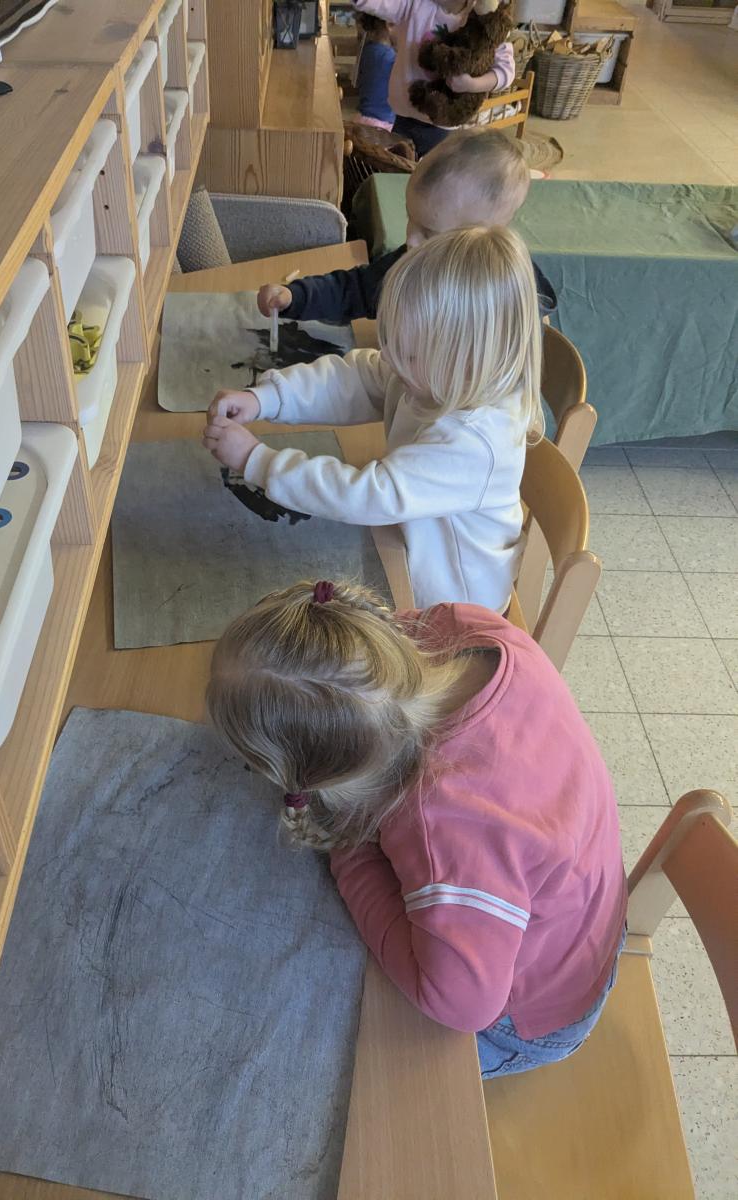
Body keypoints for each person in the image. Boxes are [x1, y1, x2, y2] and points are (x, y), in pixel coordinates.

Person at [206, 579, 628, 1078]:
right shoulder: (467, 627)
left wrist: (351, 854)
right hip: (583, 920)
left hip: (531, 1019)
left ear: (338, 786)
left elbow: (462, 1006)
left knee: (326, 1063)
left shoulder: (445, 830)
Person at [203, 226, 541, 612]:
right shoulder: (437, 375)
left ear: (467, 361)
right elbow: (356, 378)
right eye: (389, 342)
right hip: (405, 546)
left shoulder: (473, 443)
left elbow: (369, 495)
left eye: (408, 353)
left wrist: (257, 460)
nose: (390, 358)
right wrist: (266, 399)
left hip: (449, 611)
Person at [255, 126, 556, 326]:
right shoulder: (415, 259)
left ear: (489, 234)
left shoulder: (509, 307)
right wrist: (296, 297)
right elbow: (356, 290)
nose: (411, 240)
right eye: (411, 218)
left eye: (429, 233)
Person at [348, 0, 515, 156]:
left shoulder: (484, 19)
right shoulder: (415, 5)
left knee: (431, 173)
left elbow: (506, 70)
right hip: (401, 116)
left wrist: (471, 85)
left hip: (443, 124)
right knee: (397, 169)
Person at [354, 15, 396, 132]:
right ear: (389, 25)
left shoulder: (369, 49)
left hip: (363, 117)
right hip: (380, 124)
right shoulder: (389, 57)